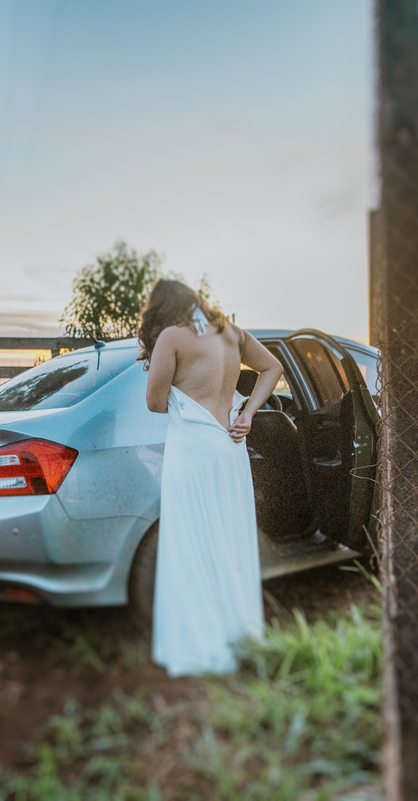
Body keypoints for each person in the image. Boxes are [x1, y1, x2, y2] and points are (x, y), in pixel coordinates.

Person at [139, 280, 283, 676]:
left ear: (161, 309)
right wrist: (247, 412)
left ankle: (203, 643)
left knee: (193, 541)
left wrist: (155, 362)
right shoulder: (232, 333)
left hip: (194, 451)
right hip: (231, 447)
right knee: (230, 538)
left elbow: (154, 402)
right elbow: (274, 367)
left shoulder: (171, 337)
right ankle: (238, 634)